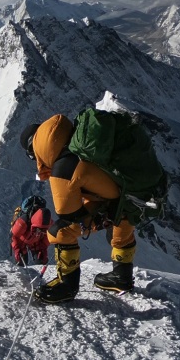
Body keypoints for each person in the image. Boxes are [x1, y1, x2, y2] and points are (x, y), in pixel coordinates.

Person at [21, 115, 137, 303]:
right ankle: (122, 277)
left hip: (115, 201)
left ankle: (66, 286)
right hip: (135, 193)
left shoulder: (62, 169)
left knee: (60, 230)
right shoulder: (79, 144)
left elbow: (69, 216)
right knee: (122, 216)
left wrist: (98, 218)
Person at [10, 202, 51, 266]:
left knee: (41, 261)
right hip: (21, 241)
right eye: (39, 229)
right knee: (21, 263)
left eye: (43, 230)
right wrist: (17, 249)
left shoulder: (49, 225)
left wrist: (43, 251)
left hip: (35, 241)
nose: (41, 231)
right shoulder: (22, 222)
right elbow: (14, 236)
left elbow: (45, 241)